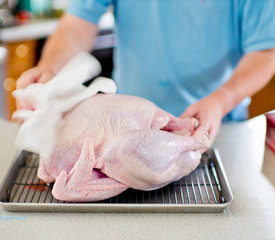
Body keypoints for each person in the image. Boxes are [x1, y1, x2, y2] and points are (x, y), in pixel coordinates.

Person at [16, 0, 275, 144]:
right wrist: (50, 68)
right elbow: (76, 25)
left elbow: (265, 50)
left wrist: (221, 101)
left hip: (218, 129)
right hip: (124, 129)